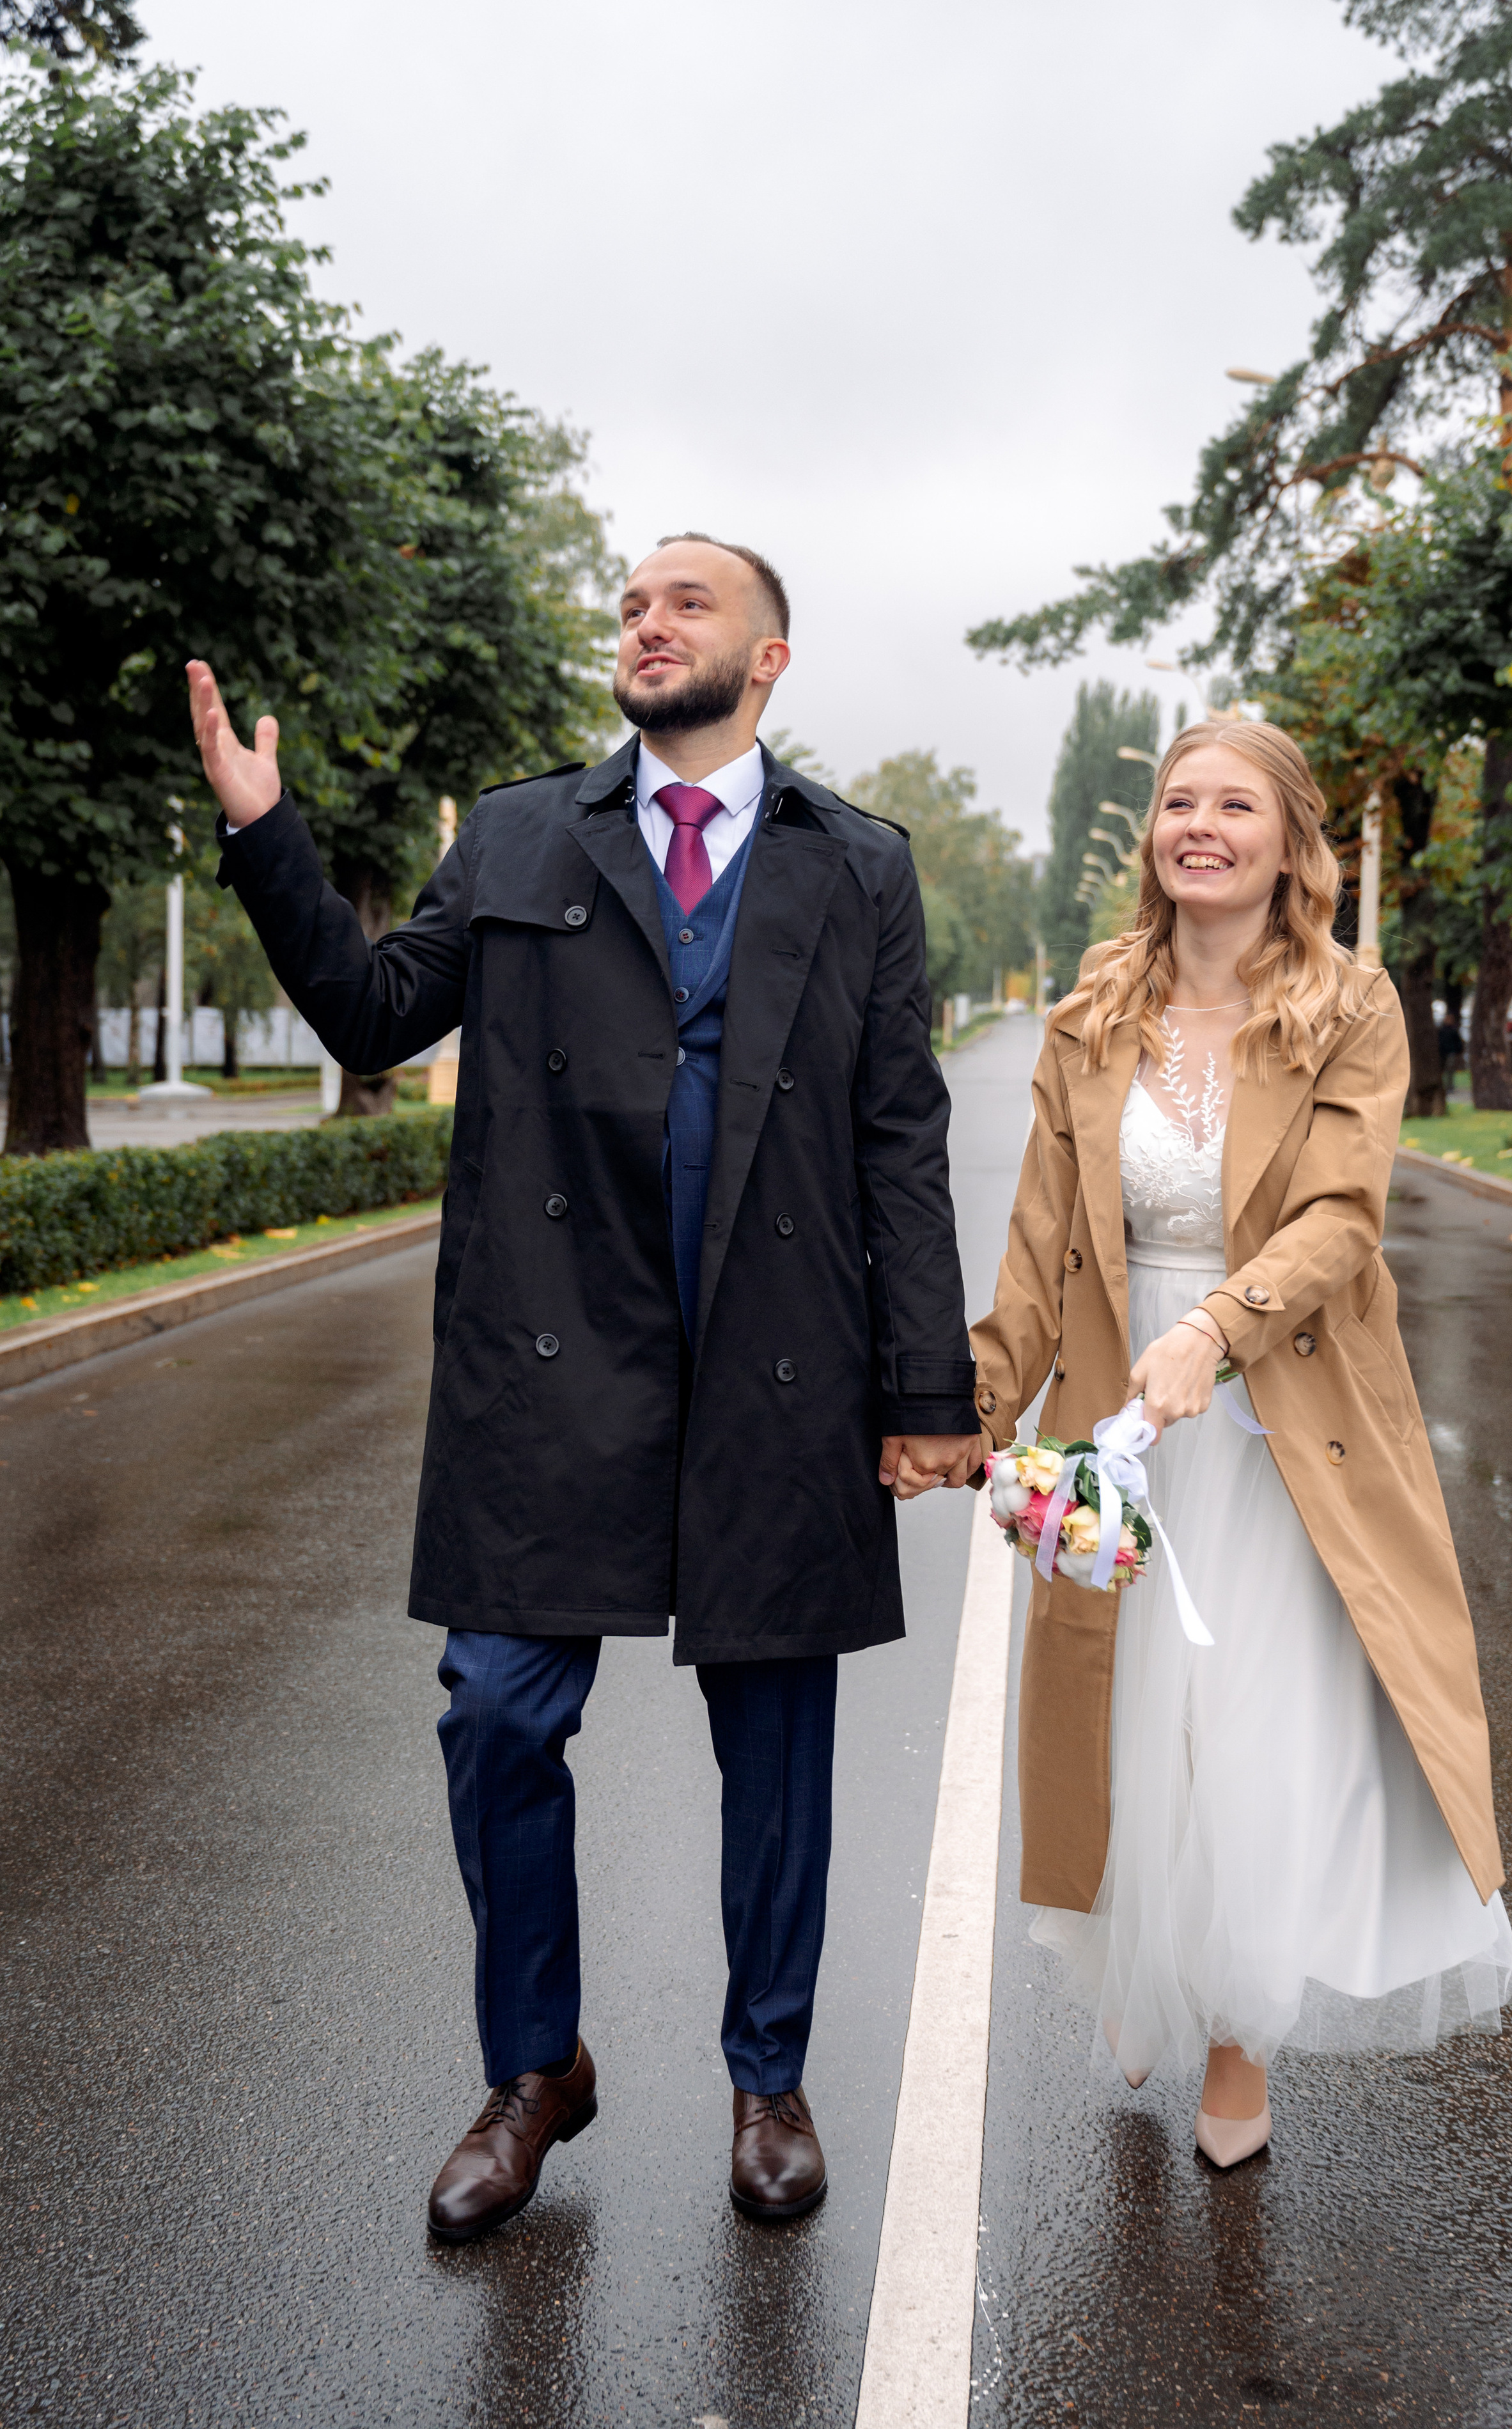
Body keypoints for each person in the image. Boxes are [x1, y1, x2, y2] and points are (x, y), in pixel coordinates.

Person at [186, 532, 984, 2240]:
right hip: (556, 1363)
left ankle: (768, 2080)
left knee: (778, 1750)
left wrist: (928, 1386)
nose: (645, 619)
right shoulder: (526, 829)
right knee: (495, 1711)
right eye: (631, 601)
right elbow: (376, 1014)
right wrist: (268, 838)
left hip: (779, 1365)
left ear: (770, 655)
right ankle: (534, 2068)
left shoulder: (858, 869)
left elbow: (898, 1137)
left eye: (687, 601)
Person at [970, 719, 1512, 2169]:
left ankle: (1232, 2037)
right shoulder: (1091, 1010)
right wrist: (963, 1412)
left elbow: (1340, 1216)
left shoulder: (1348, 1003)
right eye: (1174, 802)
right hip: (1121, 1418)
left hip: (1281, 1411)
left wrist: (1213, 1329)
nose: (1195, 824)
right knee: (1129, 1719)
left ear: (1288, 840)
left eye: (1232, 804)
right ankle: (1145, 1967)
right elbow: (1038, 1241)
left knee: (1248, 1727)